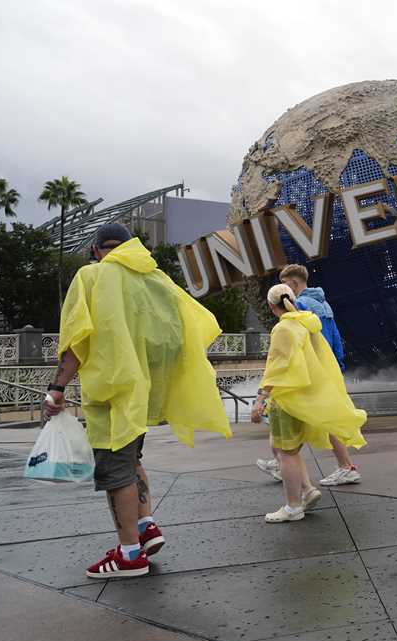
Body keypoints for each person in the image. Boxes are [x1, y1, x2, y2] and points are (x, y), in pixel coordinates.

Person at [43, 223, 231, 579]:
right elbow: (174, 337)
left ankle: (129, 555)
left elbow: (76, 341)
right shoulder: (156, 280)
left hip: (111, 395)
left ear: (97, 250)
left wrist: (57, 388)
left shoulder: (91, 277)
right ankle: (146, 526)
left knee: (115, 474)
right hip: (141, 394)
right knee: (132, 461)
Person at [250, 285, 367, 523]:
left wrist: (260, 399)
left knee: (286, 453)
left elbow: (277, 367)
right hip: (306, 396)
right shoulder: (307, 323)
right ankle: (307, 490)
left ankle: (293, 506)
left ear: (272, 306)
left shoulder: (283, 328)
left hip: (288, 398)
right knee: (281, 448)